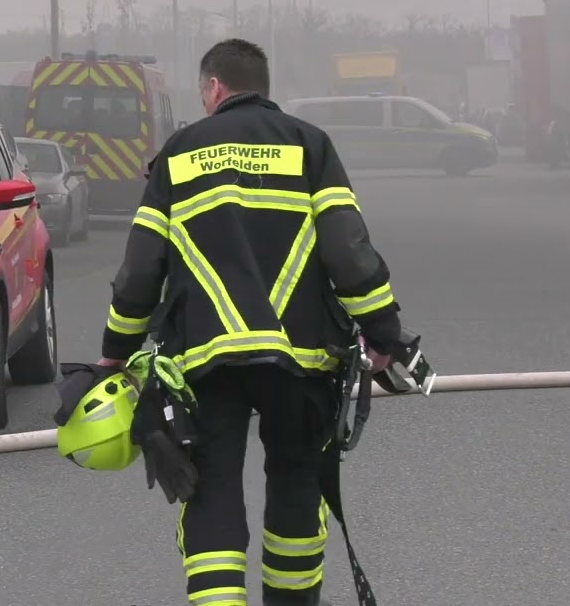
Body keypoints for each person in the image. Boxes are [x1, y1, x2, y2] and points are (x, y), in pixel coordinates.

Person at [96, 39, 404, 606]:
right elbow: (350, 252)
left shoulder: (178, 153)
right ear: (262, 84)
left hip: (204, 365)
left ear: (214, 88)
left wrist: (115, 353)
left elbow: (140, 271)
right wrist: (384, 335)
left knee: (211, 492)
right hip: (301, 361)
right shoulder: (309, 145)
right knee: (295, 481)